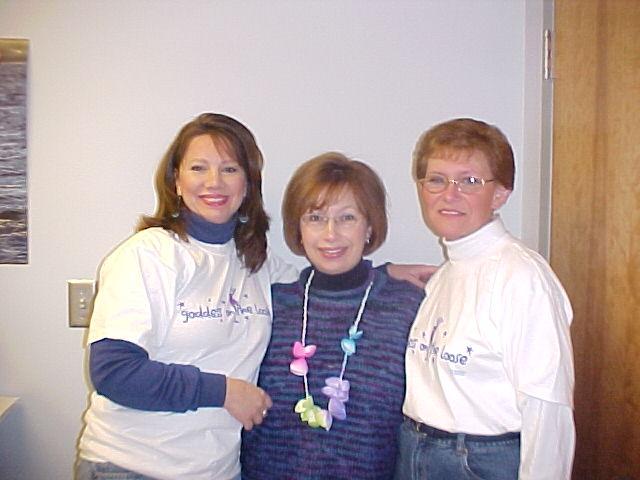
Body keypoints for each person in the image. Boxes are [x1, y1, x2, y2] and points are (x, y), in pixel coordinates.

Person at [75, 113, 299, 480]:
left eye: (230, 169)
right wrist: (224, 391)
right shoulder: (146, 255)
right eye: (199, 168)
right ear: (176, 181)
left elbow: (318, 285)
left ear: (248, 184)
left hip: (218, 471)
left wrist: (383, 273)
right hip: (129, 468)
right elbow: (114, 373)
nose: (214, 182)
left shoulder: (256, 260)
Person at [395, 118, 575, 480]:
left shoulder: (521, 277)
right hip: (417, 451)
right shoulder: (445, 275)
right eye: (436, 179)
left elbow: (547, 409)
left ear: (501, 193)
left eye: (470, 181)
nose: (449, 194)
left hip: (476, 463)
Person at [241, 152, 425, 479]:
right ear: (298, 229)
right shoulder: (269, 304)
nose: (330, 234)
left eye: (347, 218)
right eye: (315, 217)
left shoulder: (406, 306)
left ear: (369, 227)